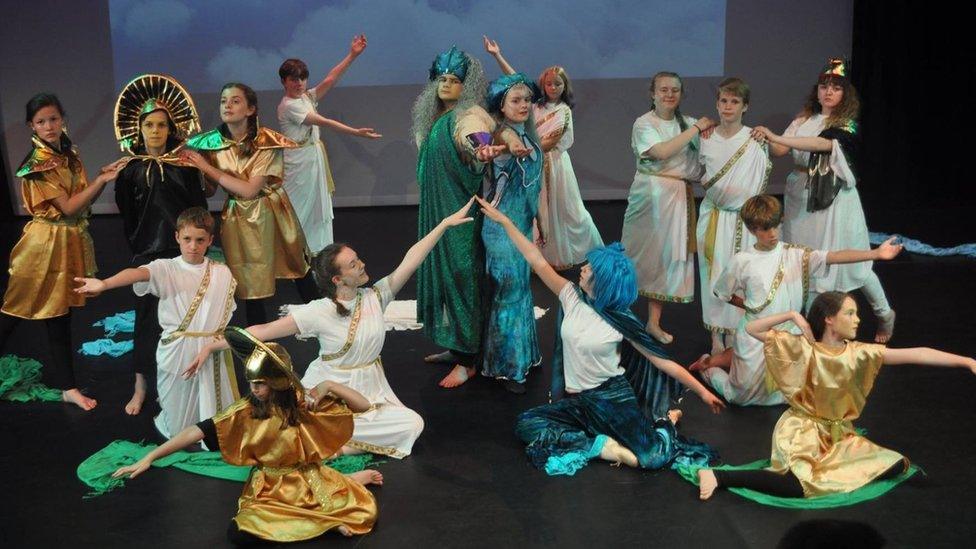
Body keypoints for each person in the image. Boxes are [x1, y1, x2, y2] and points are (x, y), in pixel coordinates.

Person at [186, 198, 477, 458]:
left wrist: (443, 225)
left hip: (370, 391)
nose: (362, 265)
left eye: (358, 259)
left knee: (412, 423)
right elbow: (264, 330)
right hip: (325, 391)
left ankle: (340, 445)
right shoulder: (319, 312)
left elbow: (411, 260)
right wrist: (216, 343)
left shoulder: (376, 296)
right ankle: (329, 437)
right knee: (300, 419)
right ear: (338, 280)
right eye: (353, 265)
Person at [476, 196, 722, 474]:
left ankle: (665, 423)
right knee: (526, 424)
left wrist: (703, 392)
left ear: (603, 280)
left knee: (653, 458)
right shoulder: (571, 296)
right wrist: (506, 222)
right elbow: (536, 260)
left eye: (589, 268)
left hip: (612, 399)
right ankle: (601, 447)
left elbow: (662, 362)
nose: (582, 268)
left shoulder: (620, 321)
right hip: (579, 401)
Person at [113, 327, 382, 543]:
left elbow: (363, 406)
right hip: (268, 487)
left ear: (277, 381)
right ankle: (333, 502)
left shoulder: (303, 402)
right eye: (251, 383)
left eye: (259, 384)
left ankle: (340, 499)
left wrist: (329, 385)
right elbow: (196, 431)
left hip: (306, 480)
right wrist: (151, 457)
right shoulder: (247, 410)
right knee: (241, 533)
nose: (253, 389)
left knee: (358, 513)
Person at [697, 291, 976, 500]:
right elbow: (751, 328)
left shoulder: (858, 354)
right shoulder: (803, 348)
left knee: (893, 463)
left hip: (838, 434)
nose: (858, 319)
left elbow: (917, 353)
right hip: (802, 430)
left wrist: (966, 361)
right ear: (829, 319)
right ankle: (720, 476)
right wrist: (793, 316)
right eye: (850, 313)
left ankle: (829, 464)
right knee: (797, 485)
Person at [692, 195, 903, 407]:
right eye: (765, 229)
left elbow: (834, 256)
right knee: (741, 398)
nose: (772, 233)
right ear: (752, 229)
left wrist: (876, 253)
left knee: (792, 394)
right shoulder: (742, 261)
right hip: (756, 335)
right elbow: (723, 292)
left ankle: (722, 361)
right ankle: (709, 368)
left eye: (775, 226)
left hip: (789, 335)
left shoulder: (794, 254)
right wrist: (748, 306)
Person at [753, 58, 895, 343]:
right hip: (801, 196)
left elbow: (822, 145)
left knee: (853, 263)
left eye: (835, 88)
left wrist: (778, 136)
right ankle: (812, 328)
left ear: (845, 94)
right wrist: (760, 136)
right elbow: (780, 148)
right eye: (824, 86)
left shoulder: (847, 125)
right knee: (806, 261)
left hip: (835, 202)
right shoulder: (803, 120)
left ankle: (885, 314)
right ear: (816, 91)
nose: (828, 92)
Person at [0, 93, 123, 410]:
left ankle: (68, 387)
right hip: (43, 247)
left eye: (53, 118)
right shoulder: (37, 165)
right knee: (12, 315)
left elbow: (83, 203)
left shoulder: (68, 154)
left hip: (66, 244)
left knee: (60, 317)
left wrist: (97, 183)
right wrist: (101, 180)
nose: (49, 126)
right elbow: (68, 207)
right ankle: (69, 386)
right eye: (41, 121)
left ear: (62, 119)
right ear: (32, 126)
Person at [75, 208, 238, 440]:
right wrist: (104, 284)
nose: (193, 246)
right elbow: (137, 273)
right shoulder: (166, 267)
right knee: (178, 421)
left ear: (210, 240)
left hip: (209, 349)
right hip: (176, 348)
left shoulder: (221, 272)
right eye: (187, 239)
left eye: (200, 240)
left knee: (210, 411)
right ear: (176, 238)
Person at [112, 73, 209, 415]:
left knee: (186, 316)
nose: (155, 131)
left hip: (184, 253)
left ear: (171, 129)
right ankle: (140, 386)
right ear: (138, 129)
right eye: (149, 125)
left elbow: (198, 209)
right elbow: (127, 212)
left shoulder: (183, 167)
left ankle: (185, 380)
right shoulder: (129, 170)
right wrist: (138, 248)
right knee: (146, 320)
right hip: (148, 254)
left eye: (161, 125)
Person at [181, 83, 311, 324]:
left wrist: (204, 166)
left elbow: (250, 190)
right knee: (250, 280)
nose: (227, 105)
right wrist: (193, 170)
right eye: (223, 101)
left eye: (235, 101)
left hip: (271, 214)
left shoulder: (266, 142)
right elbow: (209, 191)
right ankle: (258, 343)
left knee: (298, 270)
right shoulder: (210, 144)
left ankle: (330, 323)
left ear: (251, 109)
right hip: (238, 217)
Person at [483, 36, 603, 269]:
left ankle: (559, 254)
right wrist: (497, 55)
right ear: (543, 85)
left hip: (552, 164)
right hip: (529, 159)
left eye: (558, 84)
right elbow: (516, 80)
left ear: (564, 86)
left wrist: (525, 148)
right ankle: (534, 255)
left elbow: (549, 142)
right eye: (549, 84)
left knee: (561, 210)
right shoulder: (534, 105)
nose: (553, 88)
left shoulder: (563, 111)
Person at [412, 46, 493, 388]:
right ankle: (455, 345)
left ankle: (469, 359)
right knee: (445, 276)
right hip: (436, 210)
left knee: (463, 276)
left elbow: (476, 138)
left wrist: (482, 147)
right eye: (441, 79)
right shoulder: (432, 116)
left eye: (454, 80)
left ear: (466, 85)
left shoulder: (468, 114)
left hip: (460, 211)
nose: (446, 85)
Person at [620, 72, 714, 344]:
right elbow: (661, 152)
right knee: (636, 255)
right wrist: (696, 130)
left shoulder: (689, 123)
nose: (669, 95)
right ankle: (616, 314)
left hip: (678, 196)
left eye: (675, 90)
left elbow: (715, 140)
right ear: (653, 93)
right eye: (663, 90)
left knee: (665, 259)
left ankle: (653, 322)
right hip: (650, 194)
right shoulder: (644, 123)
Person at [277, 34, 381, 256]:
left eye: (302, 79)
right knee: (300, 211)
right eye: (293, 79)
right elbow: (323, 121)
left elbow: (330, 80)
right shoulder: (288, 105)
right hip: (299, 164)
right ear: (284, 81)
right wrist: (355, 132)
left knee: (319, 212)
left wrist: (352, 55)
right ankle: (299, 258)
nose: (299, 83)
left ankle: (319, 256)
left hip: (312, 159)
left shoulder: (305, 97)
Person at [476, 72, 545, 393]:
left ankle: (522, 356)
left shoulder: (527, 137)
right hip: (501, 229)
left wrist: (540, 223)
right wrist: (507, 147)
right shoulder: (503, 135)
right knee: (510, 293)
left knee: (520, 291)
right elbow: (500, 144)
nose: (524, 105)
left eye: (527, 100)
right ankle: (507, 364)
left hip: (522, 225)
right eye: (515, 101)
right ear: (501, 106)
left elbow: (535, 189)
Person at [696, 77, 769, 355]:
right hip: (714, 217)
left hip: (743, 220)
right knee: (713, 275)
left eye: (734, 101)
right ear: (717, 103)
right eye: (723, 101)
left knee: (741, 276)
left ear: (745, 106)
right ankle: (716, 337)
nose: (728, 107)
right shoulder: (706, 138)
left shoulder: (753, 139)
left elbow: (759, 179)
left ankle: (739, 333)